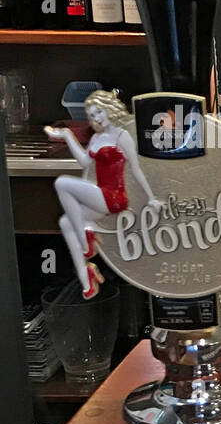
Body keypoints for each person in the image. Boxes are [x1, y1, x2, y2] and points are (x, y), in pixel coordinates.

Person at [45, 90, 160, 299]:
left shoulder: (122, 136)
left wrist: (151, 197)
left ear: (109, 108)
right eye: (92, 114)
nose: (97, 118)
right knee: (65, 223)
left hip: (114, 197)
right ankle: (86, 275)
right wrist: (67, 136)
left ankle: (85, 239)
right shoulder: (97, 137)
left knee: (62, 183)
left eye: (99, 112)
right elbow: (84, 162)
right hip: (99, 196)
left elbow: (136, 168)